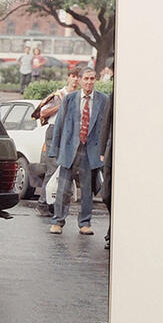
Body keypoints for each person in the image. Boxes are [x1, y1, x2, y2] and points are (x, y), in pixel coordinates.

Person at [48, 68, 108, 235]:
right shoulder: (69, 99)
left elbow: (107, 128)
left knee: (87, 190)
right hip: (70, 150)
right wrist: (54, 150)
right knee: (63, 189)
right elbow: (59, 124)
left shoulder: (103, 100)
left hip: (91, 151)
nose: (89, 82)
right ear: (80, 80)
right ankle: (57, 221)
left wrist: (105, 151)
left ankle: (85, 223)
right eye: (86, 78)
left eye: (92, 78)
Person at [33, 67, 80, 215]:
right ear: (68, 78)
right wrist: (61, 106)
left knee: (65, 169)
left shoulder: (79, 96)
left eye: (78, 77)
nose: (75, 79)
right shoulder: (59, 95)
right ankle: (43, 204)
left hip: (71, 133)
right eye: (73, 76)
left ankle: (54, 204)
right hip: (55, 132)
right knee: (52, 169)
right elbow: (43, 112)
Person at [98, 86, 113, 249]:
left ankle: (112, 232)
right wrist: (102, 151)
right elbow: (106, 123)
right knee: (107, 195)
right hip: (112, 153)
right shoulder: (114, 95)